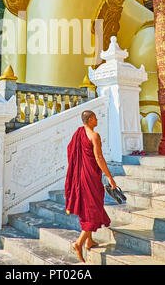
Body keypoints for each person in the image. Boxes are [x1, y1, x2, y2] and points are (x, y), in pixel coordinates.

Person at [65, 109, 117, 263]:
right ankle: (78, 243)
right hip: (90, 177)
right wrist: (109, 176)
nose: (97, 120)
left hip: (81, 176)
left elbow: (70, 150)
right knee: (93, 208)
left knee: (89, 206)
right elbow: (99, 157)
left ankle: (89, 241)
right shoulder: (94, 136)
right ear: (89, 120)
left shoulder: (79, 133)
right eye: (95, 118)